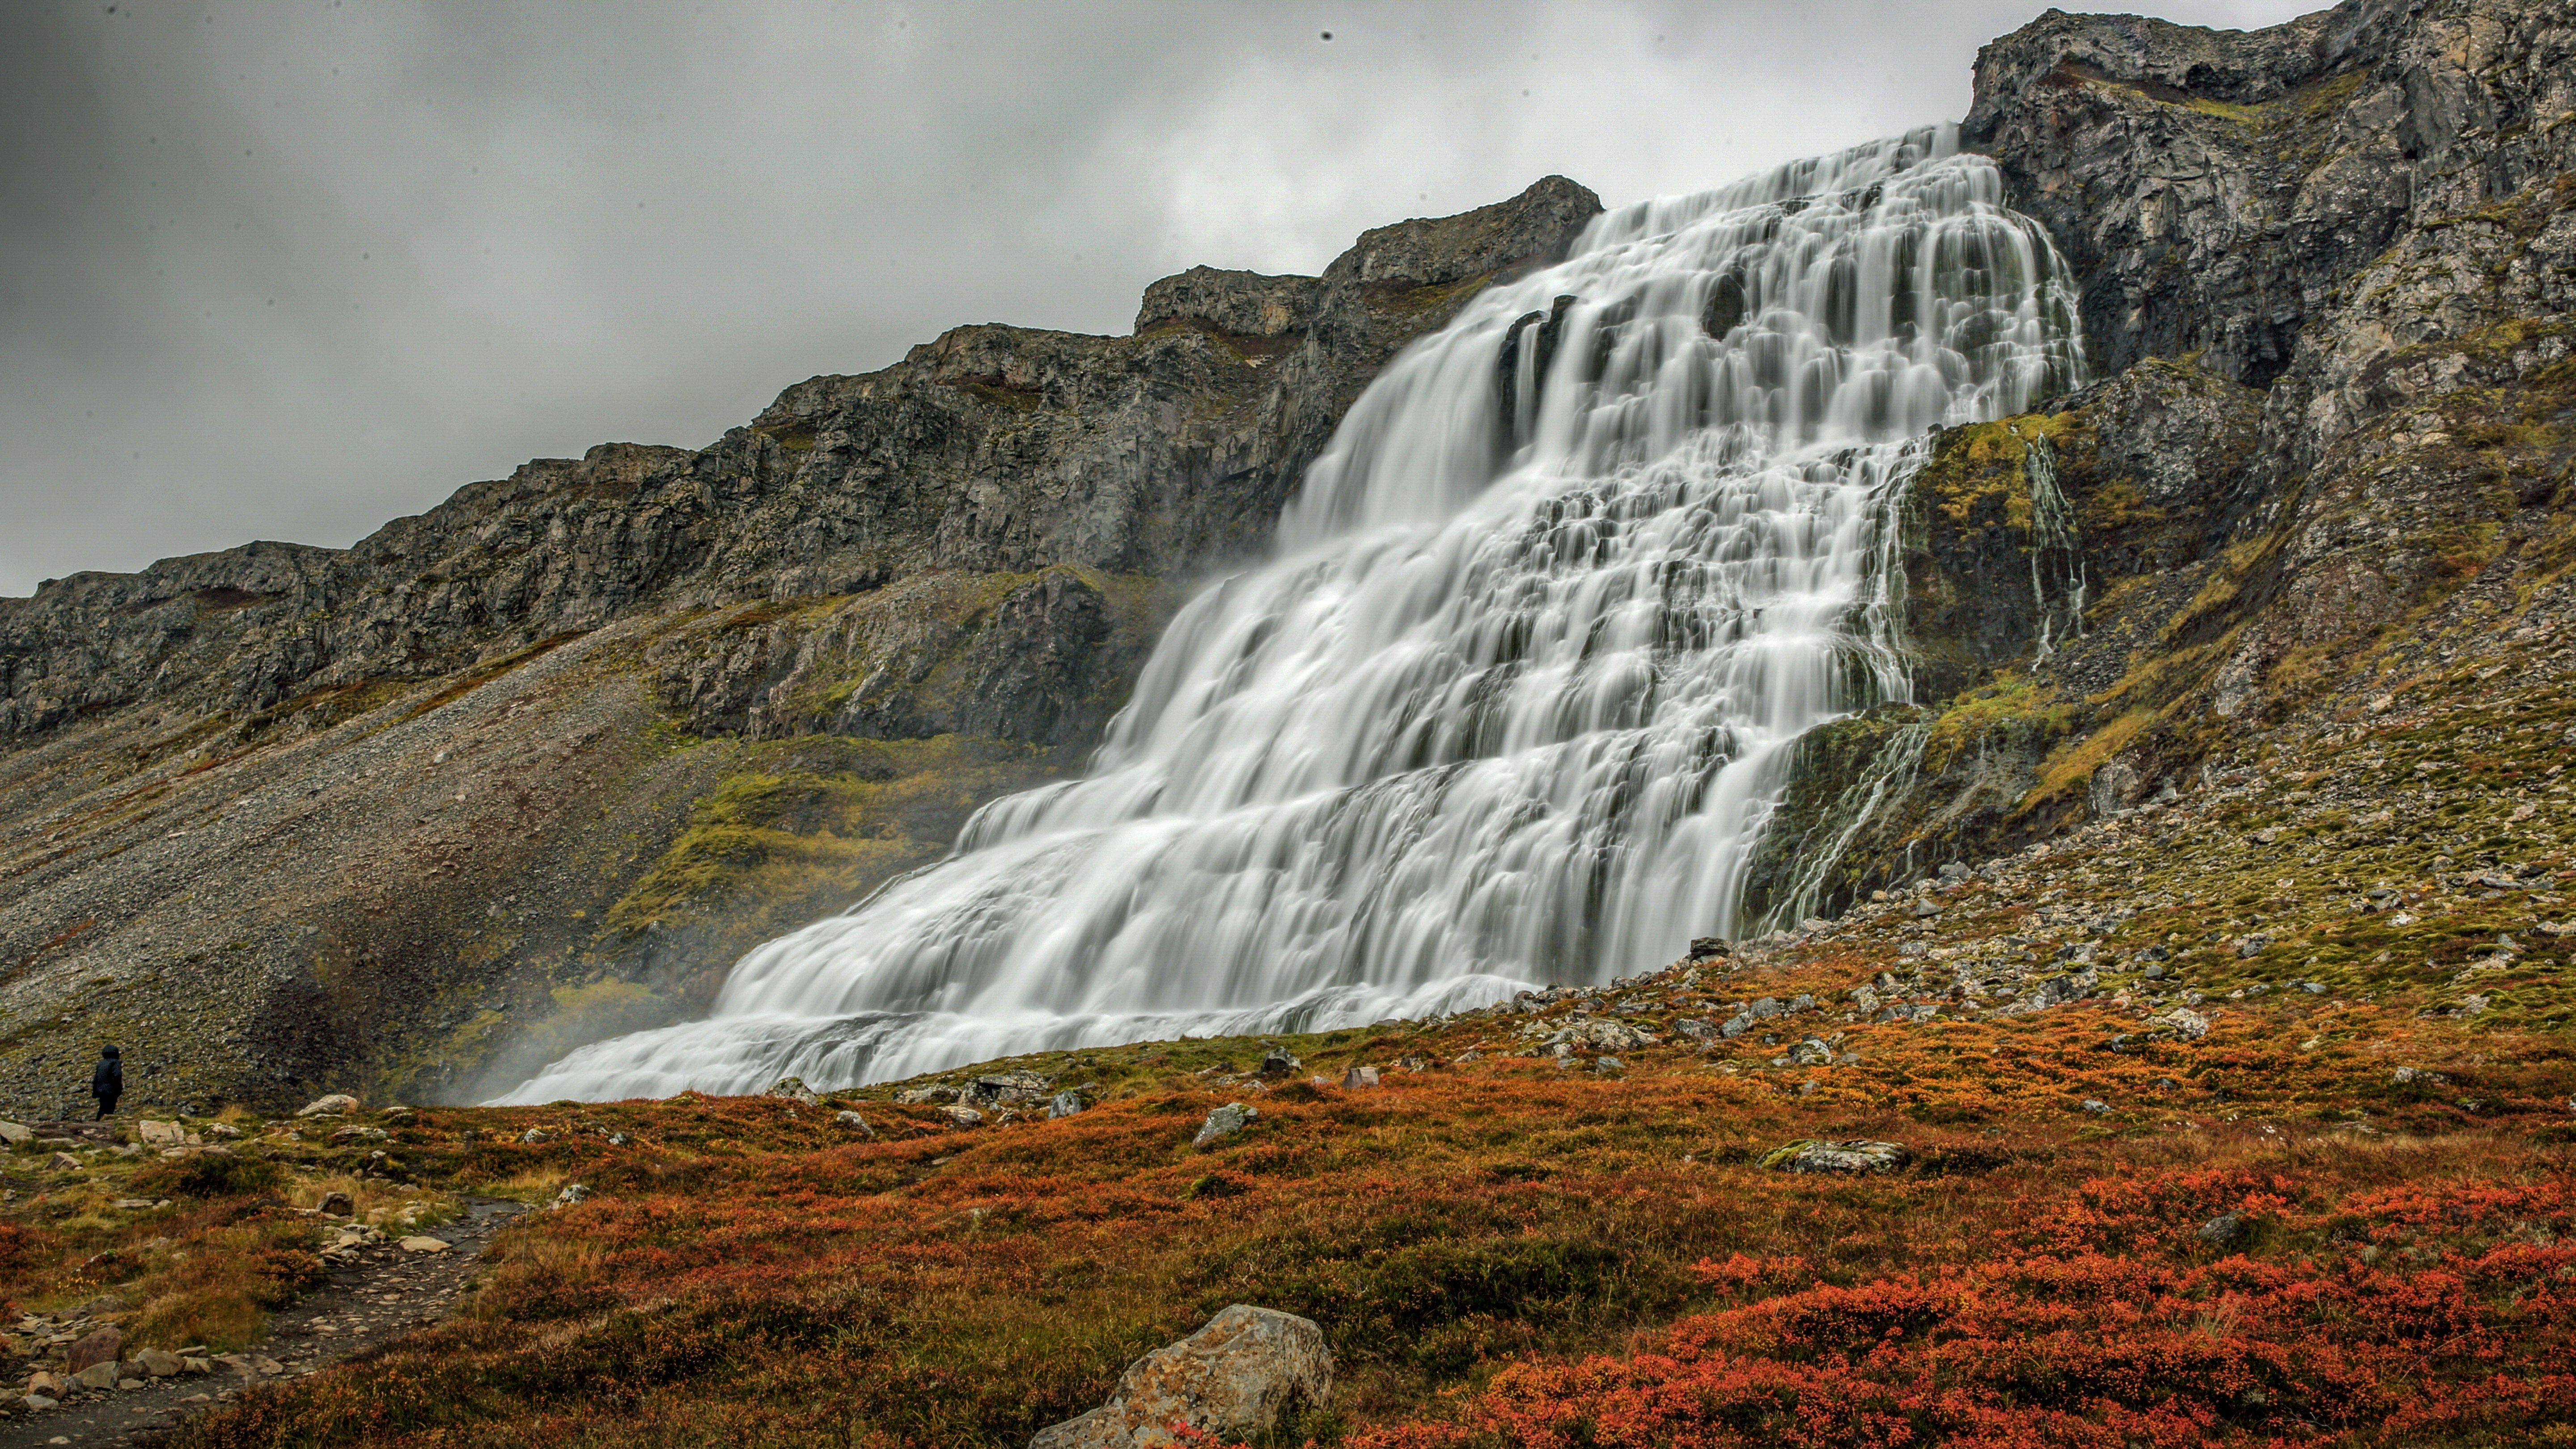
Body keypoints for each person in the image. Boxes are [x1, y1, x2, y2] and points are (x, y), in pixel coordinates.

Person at [90, 1045, 122, 1120]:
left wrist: (95, 1091)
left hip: (100, 1090)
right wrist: (118, 1088)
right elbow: (117, 1075)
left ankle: (97, 1123)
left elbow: (96, 1079)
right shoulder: (115, 1062)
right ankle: (105, 1125)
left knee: (102, 1108)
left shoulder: (101, 1064)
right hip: (111, 1090)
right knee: (109, 1109)